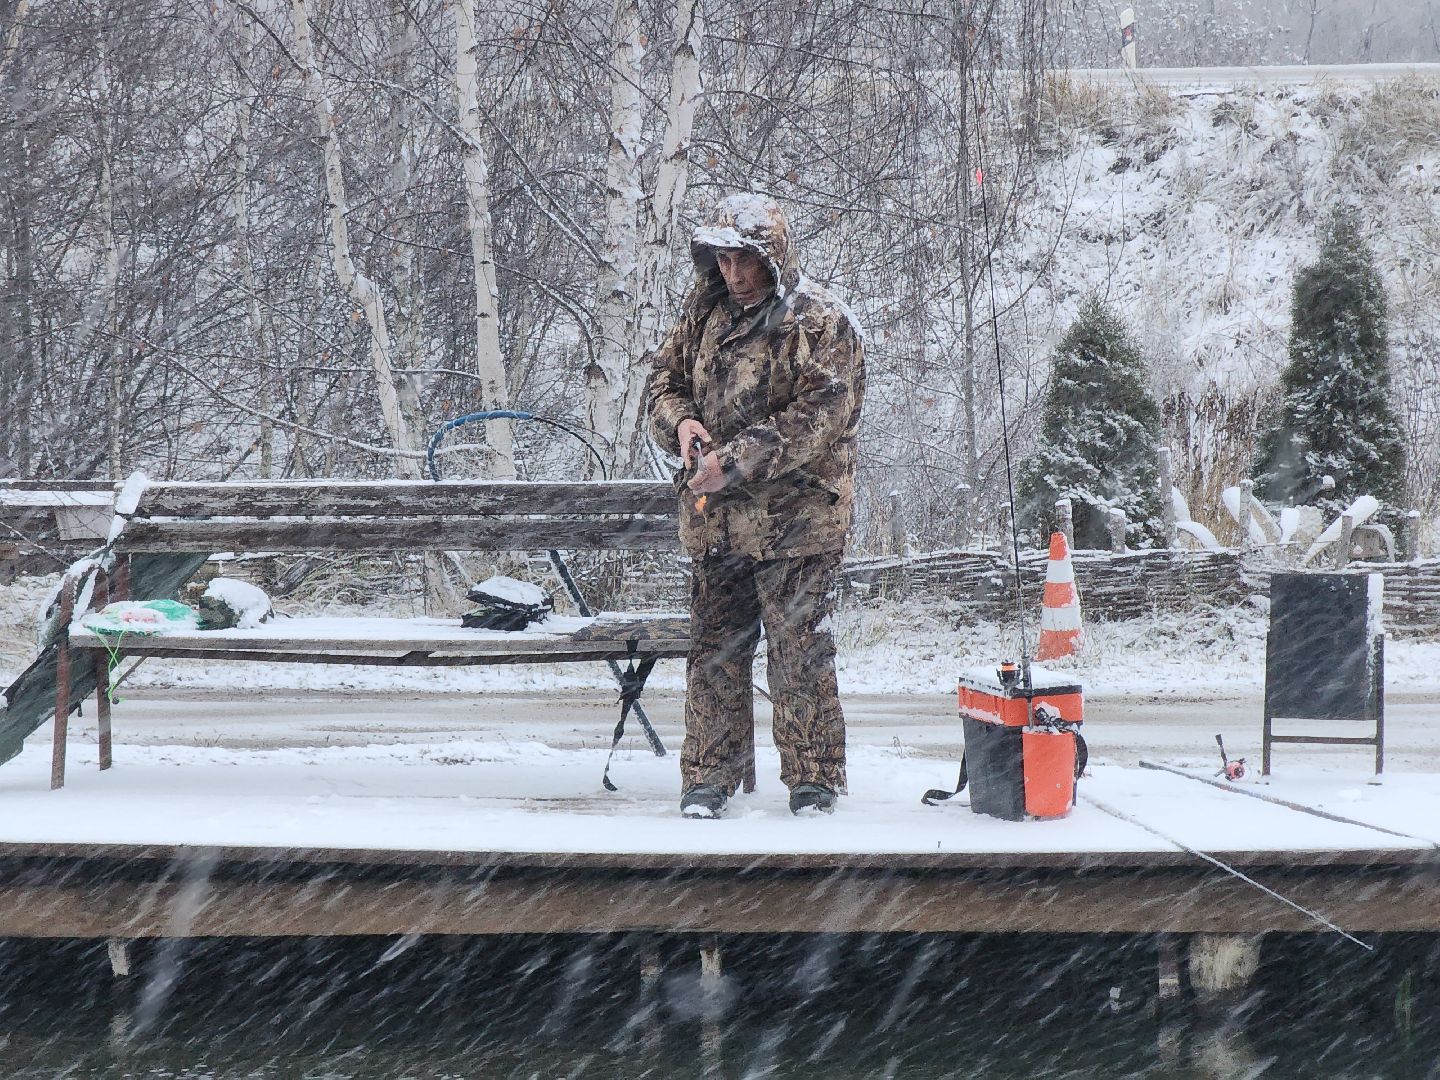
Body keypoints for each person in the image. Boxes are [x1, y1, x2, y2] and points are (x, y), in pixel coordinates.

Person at [647, 193, 866, 818]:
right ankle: (711, 777)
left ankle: (813, 779)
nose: (733, 275)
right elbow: (662, 382)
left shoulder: (821, 322)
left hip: (799, 523)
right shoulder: (703, 312)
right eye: (722, 261)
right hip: (715, 523)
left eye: (744, 262)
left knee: (798, 650)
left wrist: (734, 461)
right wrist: (683, 424)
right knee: (715, 651)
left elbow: (822, 416)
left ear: (773, 259)